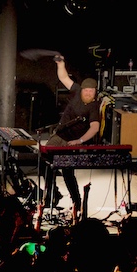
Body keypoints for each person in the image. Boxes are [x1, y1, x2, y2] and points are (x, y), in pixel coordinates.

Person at [42, 55, 103, 217]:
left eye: (92, 91)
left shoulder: (93, 107)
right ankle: (51, 194)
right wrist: (61, 63)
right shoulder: (76, 91)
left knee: (68, 171)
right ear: (82, 89)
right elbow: (63, 77)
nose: (89, 93)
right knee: (44, 160)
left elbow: (95, 127)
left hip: (71, 142)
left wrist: (80, 141)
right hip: (59, 135)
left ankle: (76, 201)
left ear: (95, 93)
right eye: (86, 90)